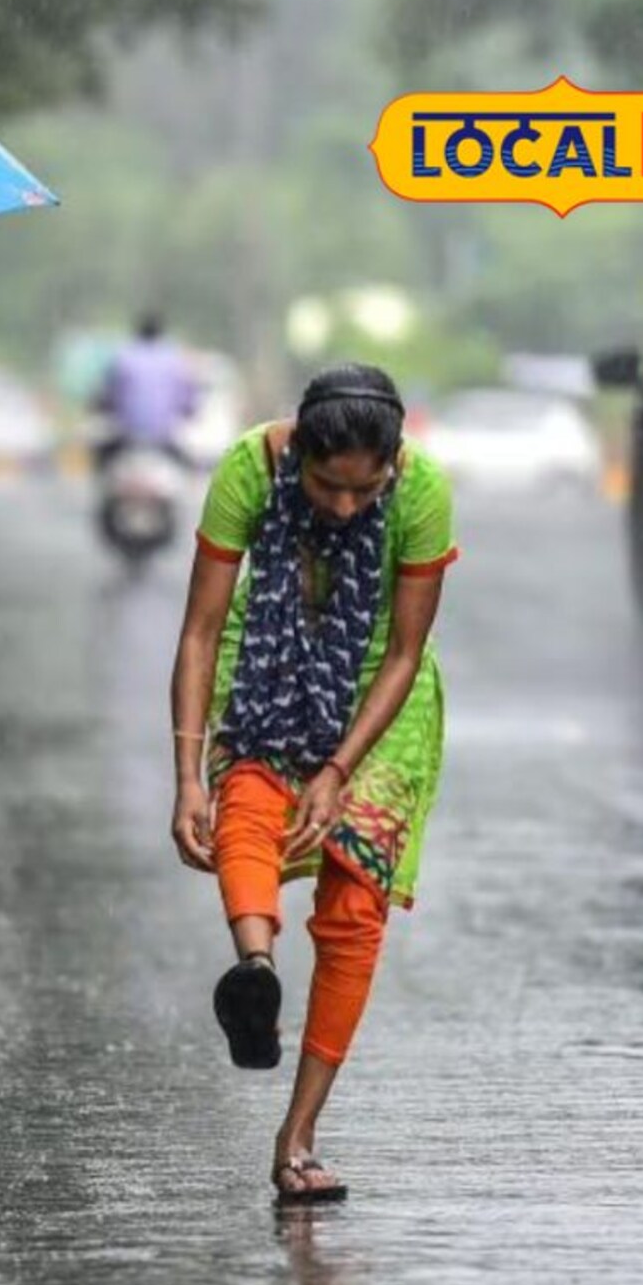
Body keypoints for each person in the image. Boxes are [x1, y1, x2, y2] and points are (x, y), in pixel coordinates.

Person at [166, 363, 456, 1204]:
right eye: (326, 486)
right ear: (297, 453)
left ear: (394, 464)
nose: (342, 508)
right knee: (246, 806)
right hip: (265, 668)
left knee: (356, 902)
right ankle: (254, 972)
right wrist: (188, 775)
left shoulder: (426, 492)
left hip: (380, 700)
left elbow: (403, 652)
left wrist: (338, 770)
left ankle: (297, 1137)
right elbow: (200, 631)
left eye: (363, 492)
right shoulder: (247, 472)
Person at [94, 311, 200, 468]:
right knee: (190, 466)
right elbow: (188, 400)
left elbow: (108, 394)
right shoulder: (174, 358)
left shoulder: (123, 356)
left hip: (128, 438)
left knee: (101, 461)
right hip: (164, 438)